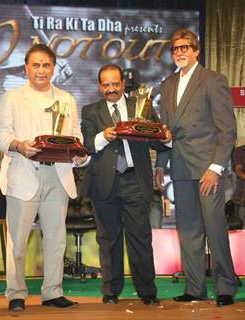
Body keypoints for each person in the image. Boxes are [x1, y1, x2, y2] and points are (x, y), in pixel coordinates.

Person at [0, 44, 86, 312]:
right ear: (26, 68)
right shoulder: (11, 98)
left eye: (46, 65)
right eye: (36, 65)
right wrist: (19, 145)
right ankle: (16, 293)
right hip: (24, 172)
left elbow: (76, 135)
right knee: (18, 241)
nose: (41, 70)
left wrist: (80, 154)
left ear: (53, 69)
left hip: (58, 175)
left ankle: (52, 291)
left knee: (56, 239)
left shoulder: (67, 99)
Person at [155, 28, 239, 306]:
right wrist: (161, 163)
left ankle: (225, 286)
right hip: (179, 166)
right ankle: (195, 289)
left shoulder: (213, 80)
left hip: (207, 169)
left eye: (185, 47)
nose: (180, 52)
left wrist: (215, 168)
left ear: (196, 50)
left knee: (214, 228)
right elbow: (167, 131)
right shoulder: (166, 85)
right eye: (175, 48)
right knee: (188, 230)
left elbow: (227, 131)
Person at [80, 64, 170, 305]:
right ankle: (110, 291)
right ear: (100, 87)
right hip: (103, 183)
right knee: (108, 239)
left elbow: (158, 142)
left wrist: (167, 138)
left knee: (140, 238)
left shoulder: (142, 106)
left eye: (115, 84)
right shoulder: (90, 111)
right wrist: (103, 137)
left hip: (134, 180)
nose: (111, 89)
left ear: (122, 84)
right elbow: (86, 144)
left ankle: (147, 292)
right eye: (106, 85)